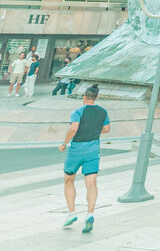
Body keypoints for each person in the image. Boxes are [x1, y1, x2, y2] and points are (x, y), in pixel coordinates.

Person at [59, 85, 109, 232]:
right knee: (91, 183)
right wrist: (93, 130)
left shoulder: (78, 112)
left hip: (76, 150)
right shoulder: (103, 111)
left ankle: (72, 213)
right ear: (96, 97)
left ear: (85, 97)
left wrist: (64, 143)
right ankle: (90, 213)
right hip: (93, 150)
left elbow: (74, 128)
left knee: (69, 180)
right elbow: (106, 129)